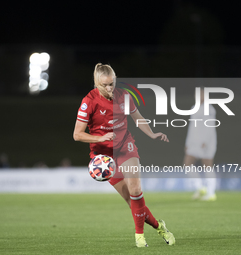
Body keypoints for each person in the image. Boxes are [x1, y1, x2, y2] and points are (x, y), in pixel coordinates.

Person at [73, 63, 175, 247]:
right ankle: (160, 226)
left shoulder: (124, 96)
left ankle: (139, 236)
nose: (109, 88)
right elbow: (77, 134)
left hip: (125, 146)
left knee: (135, 189)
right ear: (97, 83)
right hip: (104, 157)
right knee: (131, 201)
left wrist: (152, 134)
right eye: (105, 85)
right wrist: (101, 136)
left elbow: (138, 119)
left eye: (112, 83)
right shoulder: (89, 101)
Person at [183, 88, 217, 201]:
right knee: (187, 164)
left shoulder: (209, 108)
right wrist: (188, 142)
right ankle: (200, 188)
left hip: (207, 142)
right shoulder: (194, 108)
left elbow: (210, 126)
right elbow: (192, 127)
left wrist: (205, 141)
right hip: (194, 142)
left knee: (207, 165)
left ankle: (211, 192)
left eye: (201, 94)